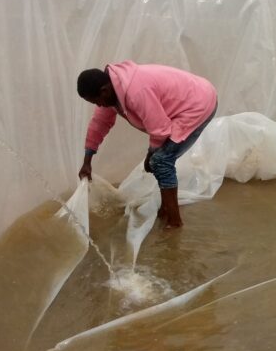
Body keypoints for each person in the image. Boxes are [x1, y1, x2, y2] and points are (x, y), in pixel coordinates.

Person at [76, 61, 217, 228]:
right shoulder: (112, 89)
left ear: (104, 91)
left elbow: (160, 130)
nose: (99, 105)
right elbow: (98, 124)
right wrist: (87, 162)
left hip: (198, 103)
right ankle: (166, 208)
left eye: (97, 101)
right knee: (158, 160)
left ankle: (174, 222)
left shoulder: (136, 91)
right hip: (189, 98)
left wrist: (149, 155)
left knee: (161, 160)